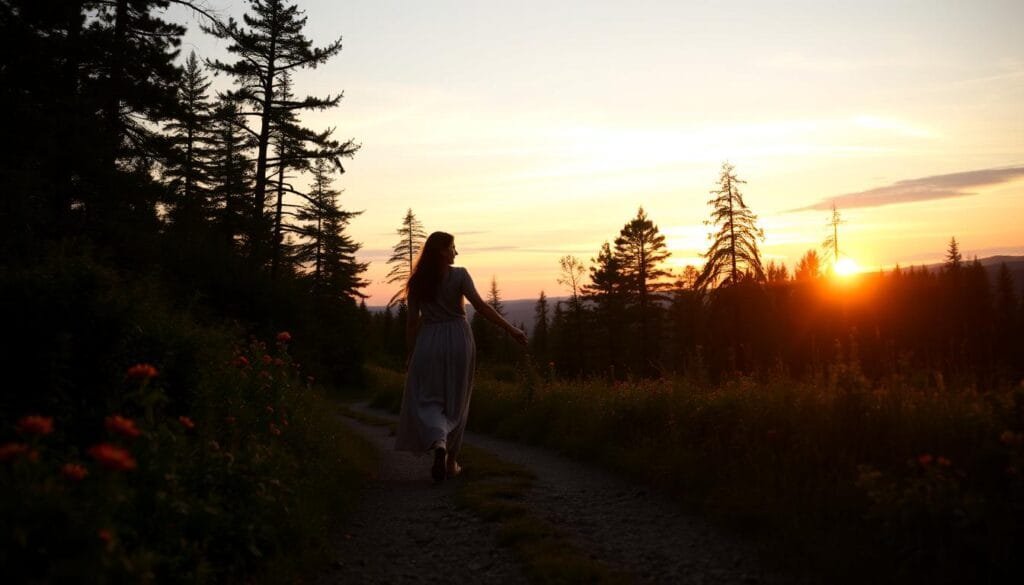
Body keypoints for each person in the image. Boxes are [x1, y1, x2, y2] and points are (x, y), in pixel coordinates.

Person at [395, 231, 528, 483]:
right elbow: (481, 306)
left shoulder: (417, 282)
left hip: (428, 342)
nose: (456, 252)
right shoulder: (459, 275)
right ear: (443, 252)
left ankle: (439, 442)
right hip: (459, 340)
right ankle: (451, 461)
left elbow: (412, 324)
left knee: (429, 399)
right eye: (453, 247)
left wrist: (410, 353)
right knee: (458, 401)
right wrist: (511, 329)